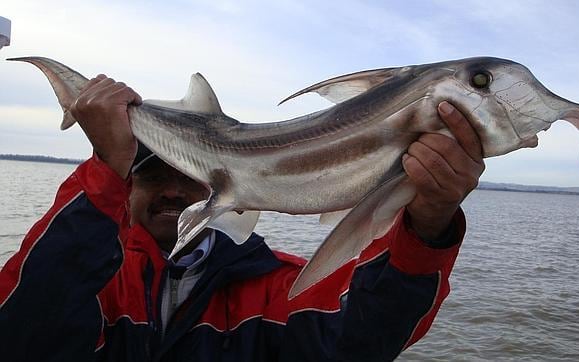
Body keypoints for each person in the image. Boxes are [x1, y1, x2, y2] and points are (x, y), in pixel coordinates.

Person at [0, 75, 485, 361]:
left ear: (215, 184)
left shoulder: (274, 285)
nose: (172, 189)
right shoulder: (96, 279)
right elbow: (23, 334)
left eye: (188, 176)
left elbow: (362, 340)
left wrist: (427, 225)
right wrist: (105, 168)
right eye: (150, 176)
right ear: (124, 188)